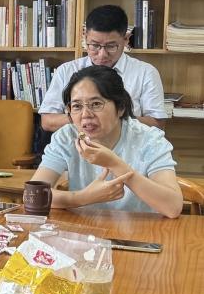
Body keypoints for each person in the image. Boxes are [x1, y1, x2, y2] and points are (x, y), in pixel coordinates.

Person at [31, 65, 182, 217]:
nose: (85, 114)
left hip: (140, 230)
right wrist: (84, 197)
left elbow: (173, 207)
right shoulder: (66, 137)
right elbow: (33, 195)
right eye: (77, 106)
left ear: (121, 107)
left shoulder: (149, 140)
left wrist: (114, 163)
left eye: (96, 104)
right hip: (84, 228)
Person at [39, 5, 167, 131]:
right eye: (95, 45)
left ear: (126, 39)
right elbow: (48, 121)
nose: (102, 55)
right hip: (76, 142)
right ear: (85, 37)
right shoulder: (66, 71)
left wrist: (108, 119)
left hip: (129, 144)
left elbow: (157, 123)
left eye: (111, 46)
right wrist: (89, 120)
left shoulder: (145, 73)